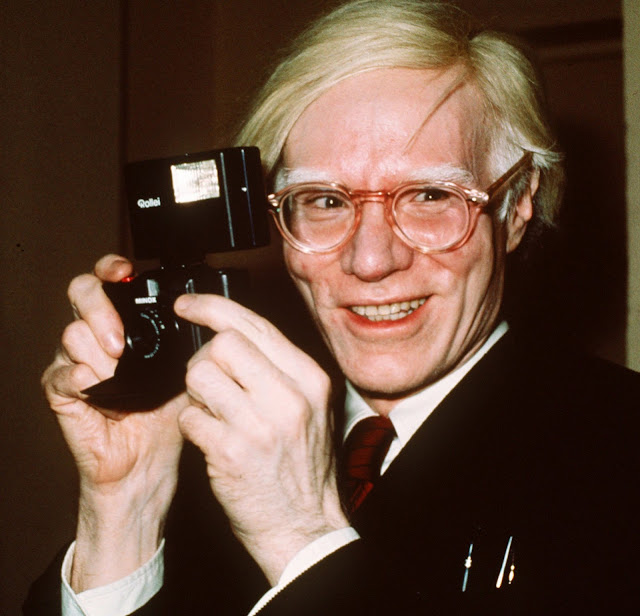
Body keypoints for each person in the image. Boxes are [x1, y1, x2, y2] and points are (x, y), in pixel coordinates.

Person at [25, 1, 640, 614]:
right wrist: (125, 507)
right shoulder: (223, 439)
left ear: (517, 204)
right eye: (323, 200)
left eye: (430, 195)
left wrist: (301, 538)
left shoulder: (616, 454)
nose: (370, 260)